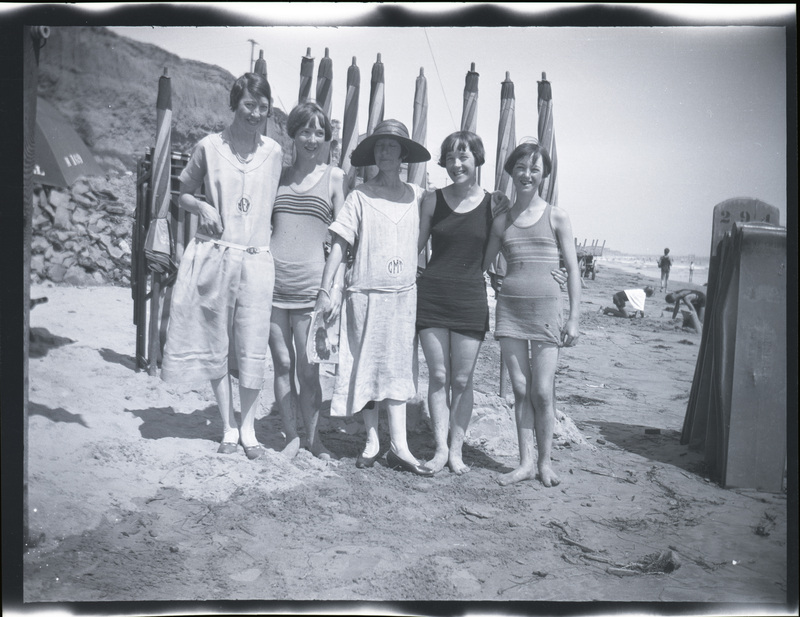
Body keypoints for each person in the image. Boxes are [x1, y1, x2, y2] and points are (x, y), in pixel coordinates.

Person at [160, 73, 282, 460]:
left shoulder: (275, 152)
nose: (255, 113)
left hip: (257, 259)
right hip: (218, 255)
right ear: (234, 105)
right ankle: (228, 426)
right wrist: (202, 205)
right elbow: (182, 194)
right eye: (249, 105)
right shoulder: (209, 147)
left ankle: (249, 429)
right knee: (217, 341)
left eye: (263, 108)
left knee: (251, 345)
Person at [315, 119, 434, 477]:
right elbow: (339, 246)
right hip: (364, 295)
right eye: (379, 146)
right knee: (363, 366)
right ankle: (371, 440)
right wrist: (325, 290)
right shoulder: (359, 196)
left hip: (402, 297)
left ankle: (400, 445)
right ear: (373, 153)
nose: (385, 152)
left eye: (392, 146)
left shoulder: (418, 195)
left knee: (398, 368)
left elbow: (452, 223)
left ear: (403, 154)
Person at [483, 141, 581, 488]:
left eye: (534, 169)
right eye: (521, 167)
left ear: (543, 175)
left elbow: (572, 269)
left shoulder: (557, 216)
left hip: (547, 311)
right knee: (521, 389)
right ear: (511, 171)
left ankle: (545, 463)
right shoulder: (501, 220)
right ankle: (524, 463)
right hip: (510, 310)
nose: (527, 174)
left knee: (542, 390)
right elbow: (484, 261)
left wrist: (574, 317)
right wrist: (495, 277)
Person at [416, 131, 507, 475]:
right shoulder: (431, 200)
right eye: (451, 158)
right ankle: (441, 449)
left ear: (477, 159)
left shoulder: (493, 204)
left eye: (464, 157)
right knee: (438, 376)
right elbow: (416, 247)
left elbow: (491, 258)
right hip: (433, 296)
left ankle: (457, 450)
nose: (457, 164)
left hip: (470, 297)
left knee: (462, 380)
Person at [269, 101, 346, 460]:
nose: (312, 138)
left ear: (327, 137)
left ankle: (314, 439)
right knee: (282, 364)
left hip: (311, 287)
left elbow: (344, 238)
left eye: (319, 131)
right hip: (272, 284)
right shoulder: (278, 176)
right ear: (293, 134)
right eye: (305, 130)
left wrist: (329, 289)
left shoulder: (334, 177)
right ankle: (290, 436)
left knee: (309, 368)